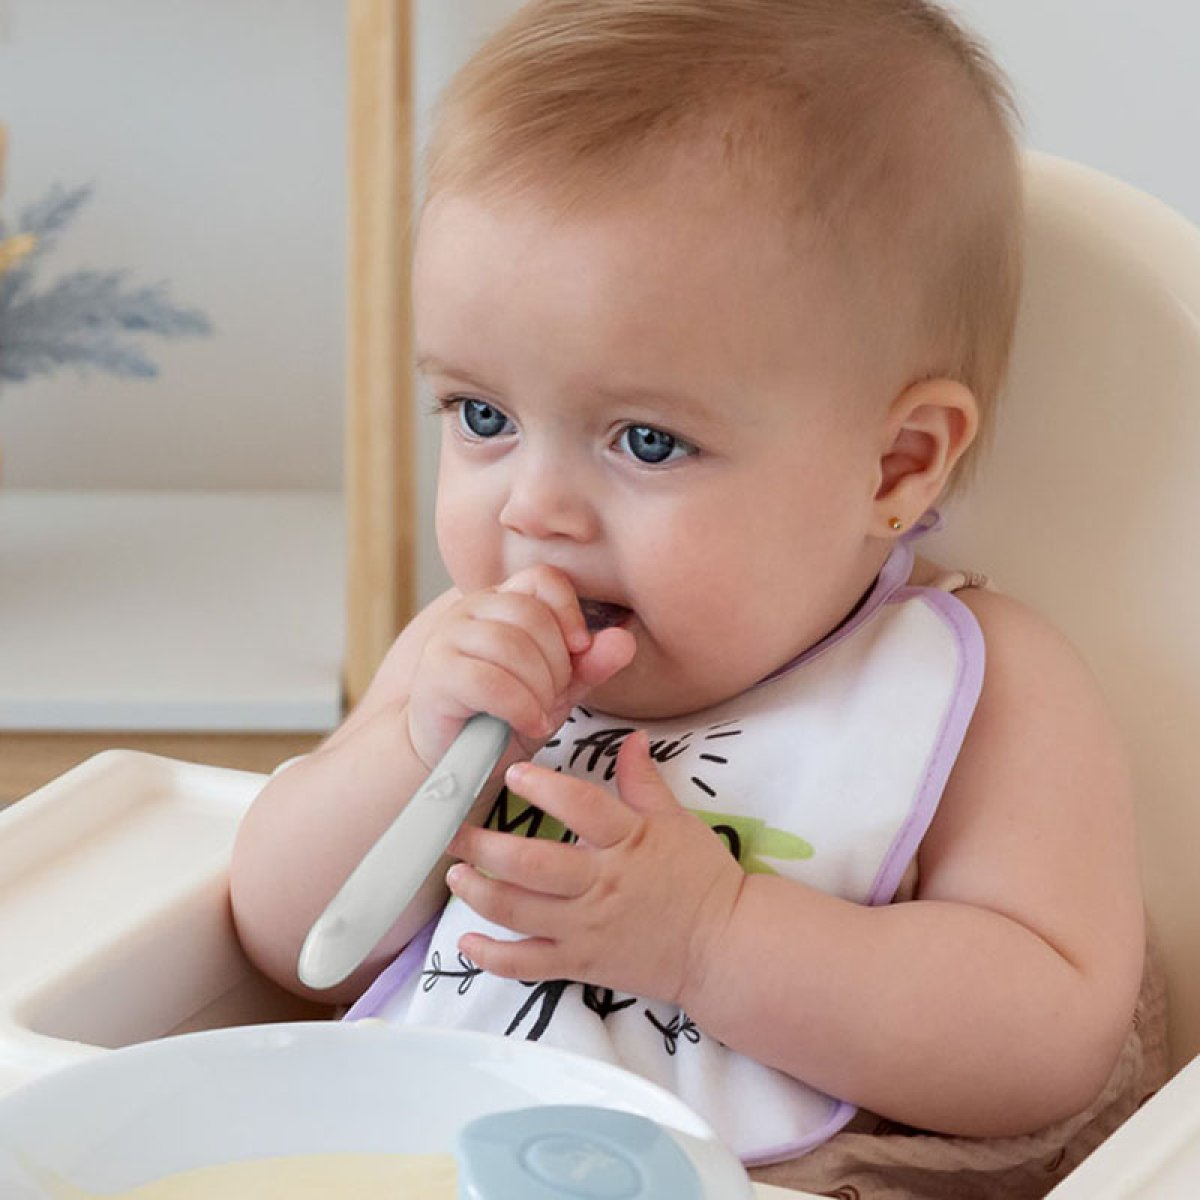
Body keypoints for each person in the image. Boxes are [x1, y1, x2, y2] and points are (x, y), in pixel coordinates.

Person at [231, 1, 1161, 1194]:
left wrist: (711, 941)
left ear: (895, 465)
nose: (533, 511)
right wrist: (410, 755)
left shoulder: (982, 689)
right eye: (483, 416)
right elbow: (287, 946)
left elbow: (1046, 1046)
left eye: (648, 441)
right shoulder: (456, 660)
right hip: (428, 1149)